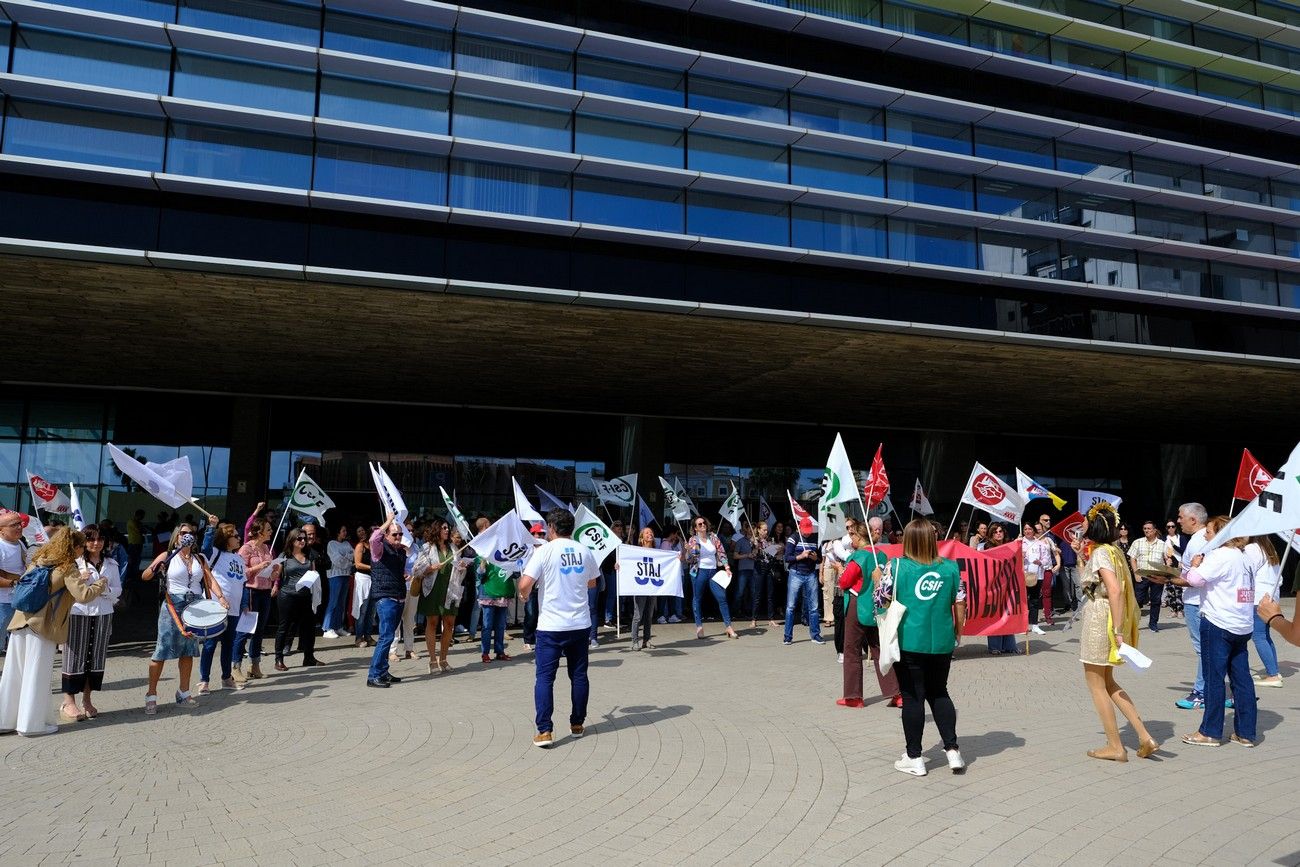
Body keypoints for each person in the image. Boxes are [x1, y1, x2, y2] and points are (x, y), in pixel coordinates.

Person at [1073, 504, 1158, 762]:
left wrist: (1117, 629)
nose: (1082, 527)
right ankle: (1144, 736)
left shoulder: (1101, 553)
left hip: (1101, 618)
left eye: (1085, 523)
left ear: (1094, 524)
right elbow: (1093, 584)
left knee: (1096, 684)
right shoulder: (1113, 551)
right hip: (1106, 615)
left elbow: (1114, 589)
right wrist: (1080, 556)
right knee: (1109, 682)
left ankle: (1115, 746)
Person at [1, 528, 106, 735]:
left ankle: (4, 721)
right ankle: (31, 725)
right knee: (37, 675)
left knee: (13, 674)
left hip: (21, 622)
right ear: (74, 547)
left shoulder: (38, 560)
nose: (81, 551)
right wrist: (101, 584)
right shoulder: (68, 566)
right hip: (44, 627)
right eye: (80, 547)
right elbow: (83, 595)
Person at [889, 520, 966, 776]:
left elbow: (880, 599)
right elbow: (961, 602)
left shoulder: (897, 566)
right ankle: (953, 751)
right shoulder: (952, 567)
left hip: (910, 640)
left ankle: (914, 756)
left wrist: (879, 578)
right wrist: (958, 631)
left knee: (913, 697)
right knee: (939, 692)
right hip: (942, 641)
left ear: (908, 540)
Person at [519, 509, 600, 748]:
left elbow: (525, 583)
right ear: (571, 528)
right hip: (579, 624)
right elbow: (593, 582)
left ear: (552, 528)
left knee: (545, 677)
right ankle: (577, 724)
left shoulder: (544, 551)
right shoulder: (585, 551)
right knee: (578, 675)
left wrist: (524, 595)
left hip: (551, 626)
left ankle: (544, 731)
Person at [1181, 516, 1258, 748]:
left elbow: (1195, 579)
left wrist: (1194, 565)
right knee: (1241, 679)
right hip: (1241, 624)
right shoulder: (1244, 557)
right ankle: (1246, 732)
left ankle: (1210, 731)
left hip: (1218, 622)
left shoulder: (1221, 555)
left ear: (1222, 534)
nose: (1205, 535)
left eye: (1210, 532)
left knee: (1214, 678)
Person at [141, 523, 227, 713]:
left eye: (192, 533)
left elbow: (209, 579)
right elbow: (145, 576)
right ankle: (151, 694)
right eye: (183, 533)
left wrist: (220, 597)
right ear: (177, 536)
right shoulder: (167, 555)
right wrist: (156, 568)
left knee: (188, 651)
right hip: (173, 604)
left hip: (194, 605)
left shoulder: (199, 557)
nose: (188, 536)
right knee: (161, 650)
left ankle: (184, 692)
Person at [836, 518, 900, 708]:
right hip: (877, 606)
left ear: (858, 535)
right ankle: (896, 693)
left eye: (851, 535)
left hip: (858, 605)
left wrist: (840, 569)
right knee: (880, 650)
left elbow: (845, 582)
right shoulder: (881, 555)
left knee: (852, 650)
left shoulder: (857, 557)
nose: (850, 539)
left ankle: (853, 696)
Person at [58, 526, 120, 721]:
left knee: (95, 657)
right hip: (79, 612)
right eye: (91, 539)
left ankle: (87, 699)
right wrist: (83, 581)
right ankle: (69, 701)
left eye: (100, 539)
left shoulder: (111, 563)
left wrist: (104, 590)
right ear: (83, 541)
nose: (96, 543)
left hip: (103, 612)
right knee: (74, 656)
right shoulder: (74, 563)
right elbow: (63, 590)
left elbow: (118, 589)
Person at [1170, 503, 1212, 711]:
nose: (1178, 521)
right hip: (1201, 601)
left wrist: (1168, 579)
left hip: (1196, 602)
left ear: (1193, 520)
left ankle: (1201, 693)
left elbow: (1197, 578)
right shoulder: (1203, 538)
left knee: (1203, 649)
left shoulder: (1200, 541)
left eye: (1180, 517)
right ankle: (1225, 691)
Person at [198, 522, 247, 694]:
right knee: (210, 644)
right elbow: (205, 548)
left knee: (228, 645)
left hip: (234, 609)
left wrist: (244, 603)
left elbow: (242, 583)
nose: (239, 538)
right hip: (216, 607)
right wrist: (211, 528)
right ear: (226, 539)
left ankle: (226, 678)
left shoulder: (239, 559)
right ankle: (204, 680)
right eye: (235, 535)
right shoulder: (216, 554)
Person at [234, 518, 279, 683]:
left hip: (265, 591)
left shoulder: (267, 547)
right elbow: (240, 572)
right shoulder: (246, 549)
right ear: (259, 531)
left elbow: (272, 571)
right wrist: (259, 567)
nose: (271, 531)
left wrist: (275, 573)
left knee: (260, 630)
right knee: (245, 630)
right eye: (268, 529)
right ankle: (235, 666)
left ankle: (254, 665)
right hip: (251, 591)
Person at [366, 513, 409, 688]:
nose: (398, 537)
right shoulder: (379, 548)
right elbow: (373, 538)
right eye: (394, 534)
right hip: (385, 597)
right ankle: (374, 675)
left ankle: (383, 671)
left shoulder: (400, 551)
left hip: (398, 596)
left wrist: (406, 575)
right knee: (386, 636)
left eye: (400, 534)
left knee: (389, 637)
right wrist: (389, 520)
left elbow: (401, 571)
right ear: (386, 535)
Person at [274, 529, 324, 671]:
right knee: (284, 627)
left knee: (309, 627)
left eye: (303, 538)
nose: (303, 541)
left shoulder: (309, 555)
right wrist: (271, 572)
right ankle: (278, 659)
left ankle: (309, 657)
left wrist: (314, 576)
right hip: (287, 595)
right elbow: (275, 576)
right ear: (291, 540)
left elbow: (314, 572)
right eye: (299, 539)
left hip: (305, 595)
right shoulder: (284, 556)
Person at [685, 517, 738, 640]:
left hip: (713, 571)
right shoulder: (693, 540)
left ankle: (728, 626)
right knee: (697, 598)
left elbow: (721, 552)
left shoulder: (713, 537)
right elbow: (690, 560)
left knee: (722, 597)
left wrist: (727, 567)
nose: (703, 525)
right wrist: (688, 551)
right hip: (699, 571)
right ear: (695, 528)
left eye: (704, 523)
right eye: (699, 524)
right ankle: (699, 626)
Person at [1246, 536, 1283, 687]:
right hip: (1272, 597)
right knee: (1265, 635)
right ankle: (1274, 670)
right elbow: (1279, 579)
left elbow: (1245, 571)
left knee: (1259, 636)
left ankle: (1273, 674)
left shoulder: (1252, 549)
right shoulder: (1270, 550)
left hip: (1258, 598)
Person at [783, 516, 822, 646]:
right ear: (799, 527)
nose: (807, 532)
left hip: (811, 573)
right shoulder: (793, 538)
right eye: (805, 530)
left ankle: (815, 635)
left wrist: (816, 558)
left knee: (814, 607)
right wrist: (801, 556)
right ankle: (787, 637)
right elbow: (787, 557)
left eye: (809, 529)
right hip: (796, 573)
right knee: (791, 606)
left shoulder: (815, 538)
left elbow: (820, 559)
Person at [1128, 520, 1167, 633]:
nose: (1147, 530)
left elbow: (1167, 558)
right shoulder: (1137, 542)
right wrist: (1136, 573)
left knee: (1156, 600)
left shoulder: (1162, 544)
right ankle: (1133, 624)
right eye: (1145, 528)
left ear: (1155, 530)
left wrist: (1168, 561)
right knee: (1138, 600)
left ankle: (1153, 624)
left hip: (1157, 575)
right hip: (1142, 575)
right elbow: (1133, 558)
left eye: (1149, 528)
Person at [0, 511, 29, 656]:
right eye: (14, 525)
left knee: (16, 643)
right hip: (2, 602)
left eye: (20, 524)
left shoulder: (20, 544)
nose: (19, 527)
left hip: (19, 600)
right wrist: (15, 583)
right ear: (1, 530)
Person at [627, 527, 658, 651]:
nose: (650, 534)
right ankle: (634, 641)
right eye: (647, 532)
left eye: (651, 532)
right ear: (641, 537)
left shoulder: (657, 552)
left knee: (649, 615)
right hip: (640, 587)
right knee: (638, 615)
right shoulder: (636, 551)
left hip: (652, 587)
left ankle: (647, 639)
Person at [323, 524, 354, 639]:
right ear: (338, 532)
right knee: (333, 602)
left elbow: (353, 555)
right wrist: (348, 560)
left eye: (345, 530)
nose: (345, 533)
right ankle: (327, 628)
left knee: (342, 602)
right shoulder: (331, 544)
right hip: (335, 575)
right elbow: (337, 560)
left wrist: (346, 558)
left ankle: (338, 626)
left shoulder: (347, 544)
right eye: (343, 530)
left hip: (346, 575)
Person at [1021, 522, 1052, 637]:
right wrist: (1020, 556)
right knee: (1023, 601)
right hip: (1023, 575)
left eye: (1029, 529)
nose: (1027, 531)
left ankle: (1034, 625)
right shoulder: (1019, 543)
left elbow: (1047, 560)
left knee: (1034, 601)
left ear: (1034, 530)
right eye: (1025, 529)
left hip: (1037, 575)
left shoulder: (1040, 543)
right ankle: (1022, 625)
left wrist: (1041, 562)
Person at [352, 525, 375, 647]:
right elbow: (357, 564)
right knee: (363, 609)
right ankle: (358, 637)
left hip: (373, 579)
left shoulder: (374, 547)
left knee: (371, 611)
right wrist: (372, 567)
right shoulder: (361, 546)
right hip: (363, 579)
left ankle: (368, 635)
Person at [656, 526, 684, 625]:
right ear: (671, 534)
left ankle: (672, 615)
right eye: (676, 533)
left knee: (671, 595)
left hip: (671, 574)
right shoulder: (665, 544)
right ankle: (661, 615)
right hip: (666, 574)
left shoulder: (670, 544)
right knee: (664, 596)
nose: (676, 536)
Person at [1163, 519, 1185, 620]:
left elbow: (1184, 550)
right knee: (1170, 588)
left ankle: (1180, 609)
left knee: (1178, 588)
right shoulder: (1164, 539)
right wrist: (1165, 560)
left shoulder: (1180, 538)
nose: (1170, 528)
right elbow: (1161, 552)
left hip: (1178, 565)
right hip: (1168, 565)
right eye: (1168, 527)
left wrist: (1174, 545)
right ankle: (1173, 609)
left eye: (1172, 526)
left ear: (1176, 528)